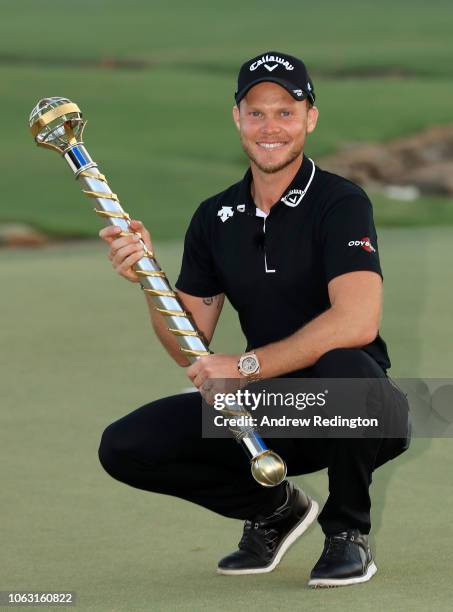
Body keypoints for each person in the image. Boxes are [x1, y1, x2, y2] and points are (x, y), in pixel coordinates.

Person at [97, 51, 410, 587]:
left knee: (346, 369)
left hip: (364, 412)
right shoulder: (214, 217)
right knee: (126, 446)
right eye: (257, 112)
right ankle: (275, 512)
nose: (271, 128)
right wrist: (150, 280)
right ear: (237, 118)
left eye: (286, 112)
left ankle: (347, 532)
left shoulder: (340, 202)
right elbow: (189, 349)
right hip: (272, 411)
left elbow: (356, 320)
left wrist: (242, 367)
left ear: (310, 117)